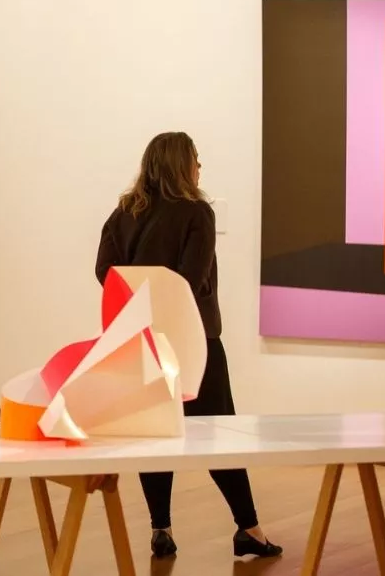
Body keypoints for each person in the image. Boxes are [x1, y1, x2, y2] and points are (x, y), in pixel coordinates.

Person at [94, 132, 283, 560]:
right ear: (182, 165)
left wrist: (140, 300)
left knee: (154, 435)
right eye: (197, 160)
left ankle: (161, 529)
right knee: (219, 433)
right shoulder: (197, 212)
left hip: (140, 340)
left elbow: (105, 271)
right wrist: (166, 298)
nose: (201, 168)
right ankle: (249, 529)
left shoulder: (124, 211)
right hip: (193, 340)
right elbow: (192, 278)